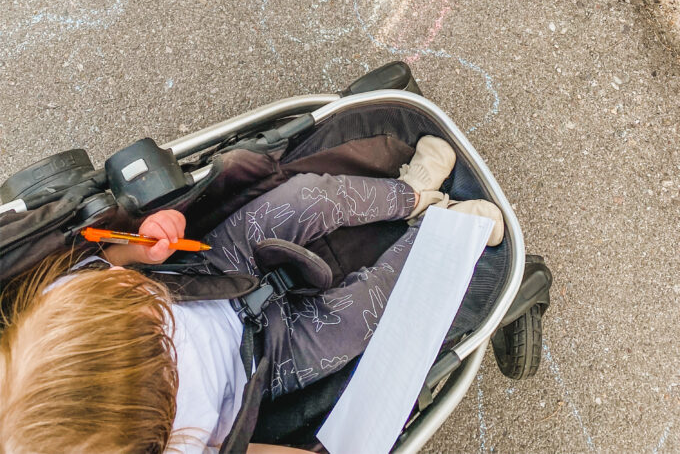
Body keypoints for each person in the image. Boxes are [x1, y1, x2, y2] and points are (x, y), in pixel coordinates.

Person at [0, 136, 503, 454]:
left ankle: (411, 194)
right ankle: (438, 235)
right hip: (261, 361)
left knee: (309, 197)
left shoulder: (61, 301)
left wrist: (149, 245)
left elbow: (112, 255)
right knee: (361, 319)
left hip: (207, 270)